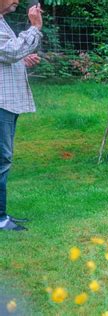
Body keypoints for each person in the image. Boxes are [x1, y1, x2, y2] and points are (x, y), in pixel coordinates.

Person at [0, 0, 43, 231]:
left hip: (6, 103)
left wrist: (22, 61)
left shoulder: (2, 22)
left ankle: (2, 214)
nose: (16, 0)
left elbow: (7, 54)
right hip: (1, 103)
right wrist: (34, 27)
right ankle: (0, 218)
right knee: (1, 159)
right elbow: (9, 52)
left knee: (3, 159)